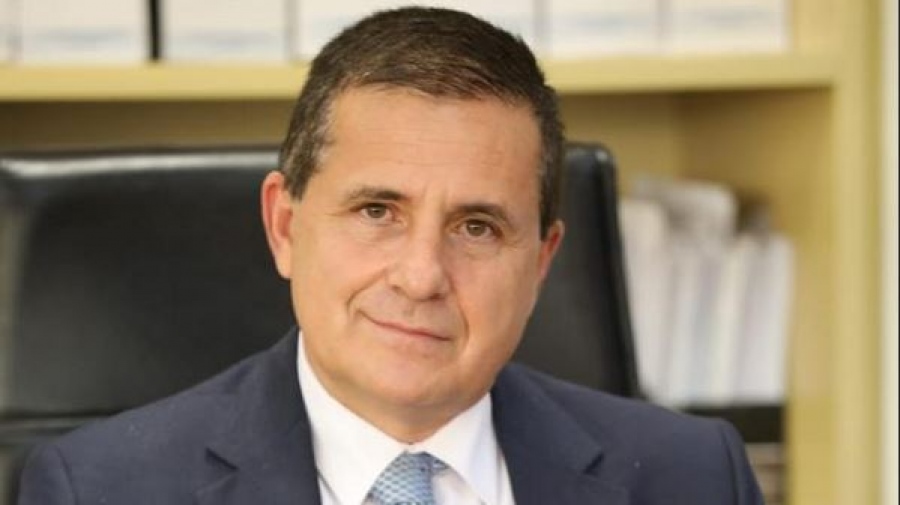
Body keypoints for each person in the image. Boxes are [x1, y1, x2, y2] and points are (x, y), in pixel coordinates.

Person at [18, 7, 763, 505]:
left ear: (541, 262)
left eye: (477, 227)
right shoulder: (102, 489)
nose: (421, 276)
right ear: (284, 226)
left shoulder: (696, 477)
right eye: (377, 212)